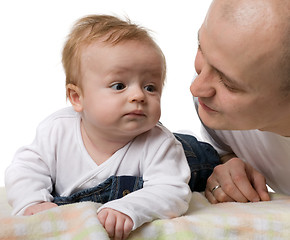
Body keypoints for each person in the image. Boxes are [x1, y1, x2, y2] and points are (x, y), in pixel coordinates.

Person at [5, 14, 221, 240]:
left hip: (190, 157)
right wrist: (32, 202)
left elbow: (172, 191)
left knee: (206, 160)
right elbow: (24, 169)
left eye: (150, 87)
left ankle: (199, 146)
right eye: (119, 86)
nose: (138, 95)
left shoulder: (159, 143)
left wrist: (130, 207)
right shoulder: (56, 132)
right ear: (77, 97)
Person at [190, 0, 290, 204]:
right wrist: (229, 162)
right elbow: (226, 148)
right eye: (201, 48)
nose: (196, 87)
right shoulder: (211, 104)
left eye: (228, 83)